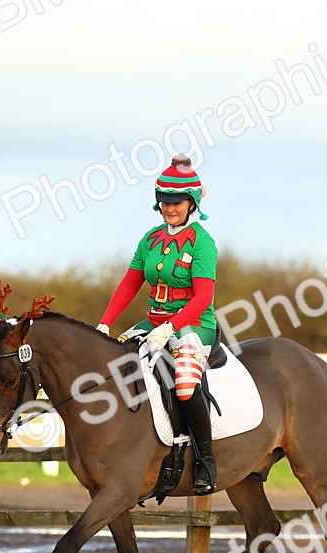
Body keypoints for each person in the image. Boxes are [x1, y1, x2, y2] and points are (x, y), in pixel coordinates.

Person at [96, 155, 219, 495]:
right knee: (115, 366)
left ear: (191, 203)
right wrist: (105, 324)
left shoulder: (202, 243)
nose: (169, 208)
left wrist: (172, 327)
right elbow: (130, 283)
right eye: (163, 202)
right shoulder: (150, 239)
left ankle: (206, 461)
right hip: (152, 322)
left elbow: (203, 298)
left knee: (184, 386)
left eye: (176, 202)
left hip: (194, 325)